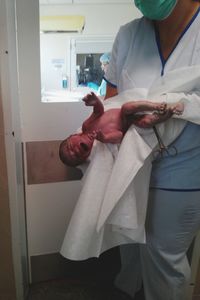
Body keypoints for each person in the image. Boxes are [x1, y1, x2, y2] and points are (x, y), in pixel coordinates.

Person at [103, 0, 200, 300]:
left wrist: (175, 105)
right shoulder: (129, 35)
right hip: (131, 165)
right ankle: (128, 289)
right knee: (129, 242)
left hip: (184, 167)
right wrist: (99, 126)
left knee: (162, 257)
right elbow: (112, 102)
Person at [59, 92, 183, 167]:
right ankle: (170, 112)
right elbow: (119, 135)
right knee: (146, 122)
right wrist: (105, 138)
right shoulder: (101, 141)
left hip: (121, 113)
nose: (76, 151)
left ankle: (155, 105)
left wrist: (96, 102)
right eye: (77, 156)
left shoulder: (87, 126)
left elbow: (99, 112)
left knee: (127, 107)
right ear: (86, 157)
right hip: (128, 123)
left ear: (73, 136)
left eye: (70, 147)